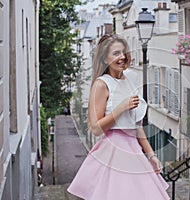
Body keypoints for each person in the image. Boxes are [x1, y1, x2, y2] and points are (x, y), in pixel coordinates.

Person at [67, 34, 170, 200]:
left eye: (123, 52)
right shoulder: (101, 84)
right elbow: (95, 128)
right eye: (116, 53)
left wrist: (151, 155)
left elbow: (136, 126)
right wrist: (121, 107)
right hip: (114, 151)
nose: (122, 57)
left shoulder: (130, 78)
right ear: (104, 59)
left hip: (134, 150)